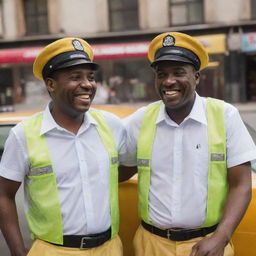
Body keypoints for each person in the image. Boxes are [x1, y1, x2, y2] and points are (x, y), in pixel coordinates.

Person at [119, 32, 256, 256]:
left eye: (179, 73)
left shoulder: (224, 115)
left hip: (207, 244)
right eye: (161, 74)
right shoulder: (142, 119)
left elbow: (241, 185)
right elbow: (118, 168)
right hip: (151, 245)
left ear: (197, 77)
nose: (168, 81)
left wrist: (220, 239)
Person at [0, 37, 125, 256]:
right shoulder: (24, 135)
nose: (87, 84)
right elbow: (3, 194)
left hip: (110, 248)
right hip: (53, 251)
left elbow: (128, 167)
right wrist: (18, 252)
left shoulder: (111, 125)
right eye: (75, 77)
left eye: (91, 77)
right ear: (51, 84)